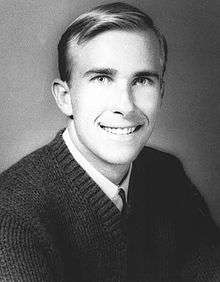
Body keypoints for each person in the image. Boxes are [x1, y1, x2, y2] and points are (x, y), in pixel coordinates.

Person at [0, 2, 219, 281]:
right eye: (102, 78)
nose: (126, 106)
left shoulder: (167, 174)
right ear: (65, 98)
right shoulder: (12, 217)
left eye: (142, 80)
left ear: (161, 92)